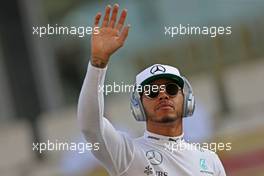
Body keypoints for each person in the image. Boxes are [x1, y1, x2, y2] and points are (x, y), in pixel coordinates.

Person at [78, 4, 226, 176]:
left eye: (171, 89)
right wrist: (98, 63)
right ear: (138, 105)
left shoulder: (210, 160)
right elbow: (90, 127)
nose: (163, 95)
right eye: (152, 92)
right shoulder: (128, 155)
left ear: (186, 99)